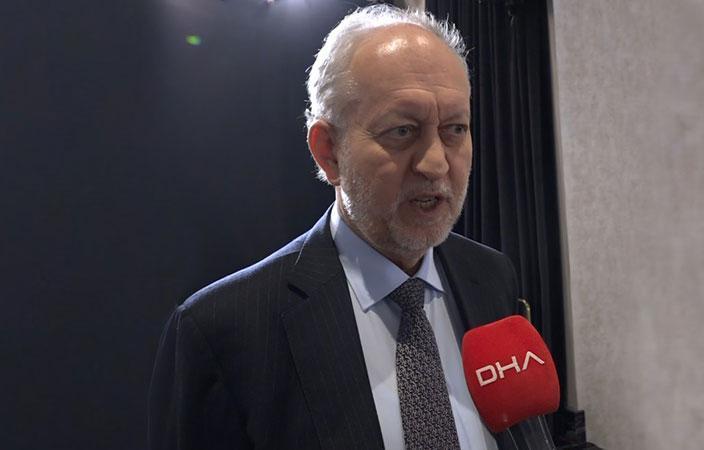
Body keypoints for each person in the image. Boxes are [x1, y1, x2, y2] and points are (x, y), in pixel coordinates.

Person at [148, 5, 554, 450]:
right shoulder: (223, 333)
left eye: (455, 129)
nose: (436, 163)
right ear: (329, 152)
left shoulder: (491, 277)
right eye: (403, 131)